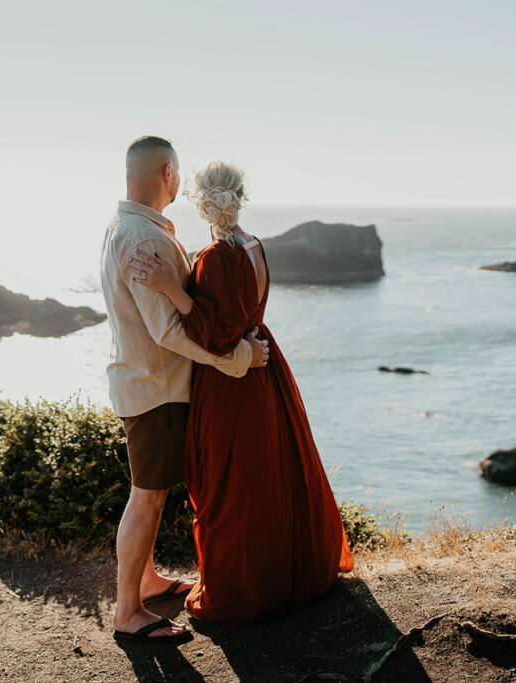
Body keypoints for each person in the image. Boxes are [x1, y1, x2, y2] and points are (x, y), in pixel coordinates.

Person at [128, 160, 354, 625]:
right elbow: (240, 315)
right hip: (264, 372)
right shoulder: (253, 245)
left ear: (199, 199)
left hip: (232, 381)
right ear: (240, 195)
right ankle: (282, 577)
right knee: (267, 477)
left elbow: (216, 333)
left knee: (230, 486)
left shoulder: (216, 255)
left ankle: (241, 590)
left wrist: (172, 286)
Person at [100, 137, 271, 643]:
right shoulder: (147, 238)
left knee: (148, 494)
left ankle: (147, 580)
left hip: (141, 380)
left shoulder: (124, 225)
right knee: (147, 498)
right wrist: (239, 358)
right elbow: (170, 331)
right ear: (169, 173)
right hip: (157, 388)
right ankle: (128, 611)